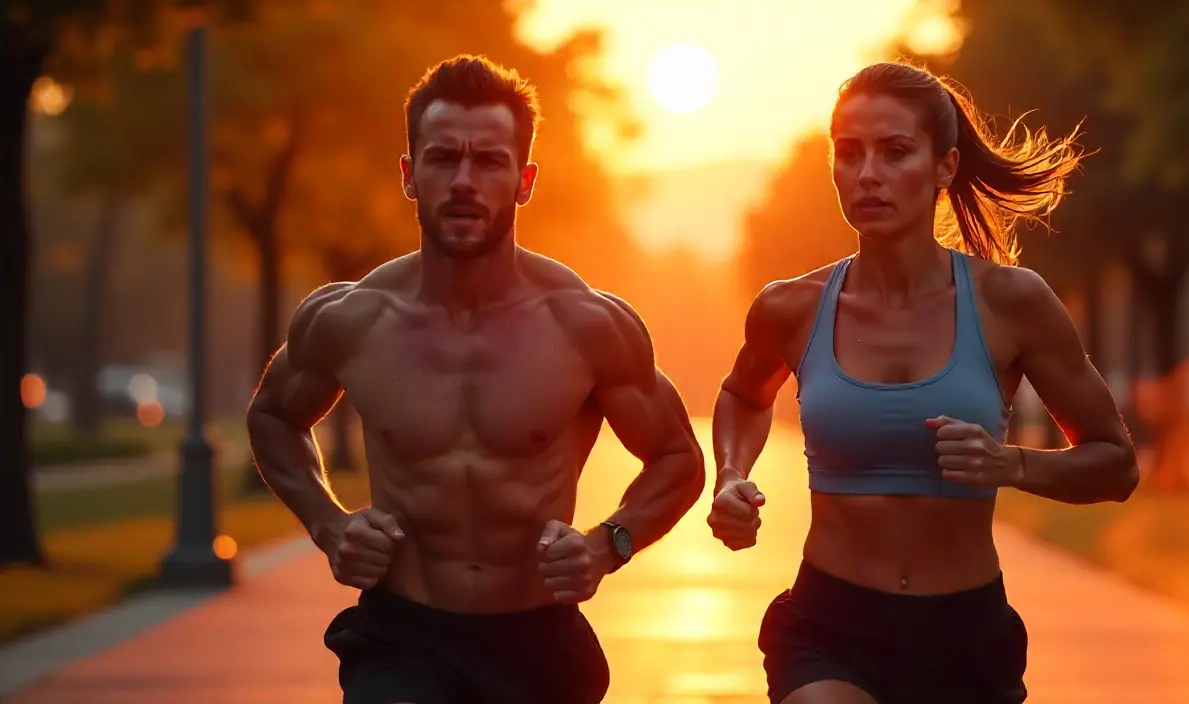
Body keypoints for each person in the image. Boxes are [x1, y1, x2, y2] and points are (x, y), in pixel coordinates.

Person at [246, 54, 706, 704]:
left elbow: (677, 457)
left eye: (490, 161)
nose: (465, 181)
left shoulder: (585, 325)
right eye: (443, 158)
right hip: (400, 637)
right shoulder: (353, 320)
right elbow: (272, 416)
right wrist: (328, 524)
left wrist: (609, 543)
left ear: (525, 179)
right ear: (410, 175)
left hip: (537, 643)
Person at [707, 60, 1140, 704]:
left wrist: (1012, 464)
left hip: (964, 635)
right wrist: (732, 474)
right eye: (848, 154)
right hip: (830, 627)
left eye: (896, 153)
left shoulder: (1011, 302)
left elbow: (1115, 465)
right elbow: (744, 395)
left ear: (945, 167)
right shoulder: (790, 306)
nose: (868, 174)